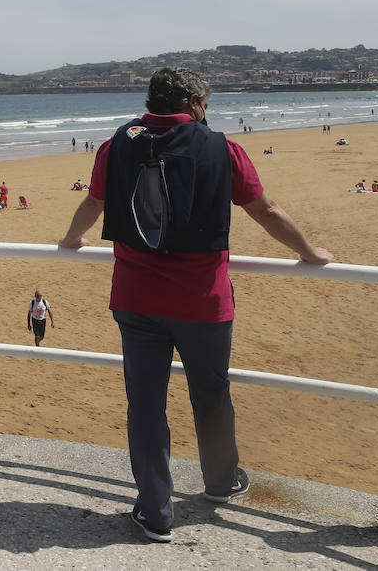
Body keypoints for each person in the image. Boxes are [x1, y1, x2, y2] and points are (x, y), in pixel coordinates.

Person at [59, 67, 331, 542]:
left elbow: (94, 203)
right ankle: (221, 482)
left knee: (145, 404)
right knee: (211, 394)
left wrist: (71, 238)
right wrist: (309, 253)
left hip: (136, 300)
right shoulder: (222, 148)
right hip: (203, 303)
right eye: (208, 101)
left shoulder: (116, 143)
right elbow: (264, 211)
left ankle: (154, 511)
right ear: (193, 101)